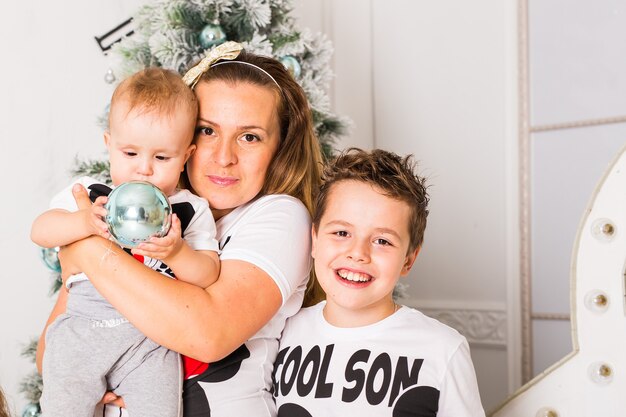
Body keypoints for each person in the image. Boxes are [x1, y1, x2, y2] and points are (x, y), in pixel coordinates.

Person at [36, 41, 324, 417]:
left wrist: (87, 251)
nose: (224, 156)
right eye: (207, 131)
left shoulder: (280, 217)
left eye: (249, 136)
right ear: (184, 137)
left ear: (279, 148)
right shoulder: (123, 205)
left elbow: (208, 335)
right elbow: (49, 353)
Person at [32, 68, 220, 417]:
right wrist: (80, 222)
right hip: (83, 327)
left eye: (162, 158)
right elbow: (40, 231)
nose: (143, 169)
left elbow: (207, 273)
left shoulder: (189, 210)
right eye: (130, 153)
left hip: (151, 339)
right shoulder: (91, 195)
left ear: (186, 156)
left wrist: (177, 252)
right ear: (109, 145)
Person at [273, 148, 486, 416]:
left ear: (409, 259)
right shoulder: (281, 333)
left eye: (382, 241)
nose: (358, 253)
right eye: (341, 232)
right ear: (315, 240)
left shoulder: (441, 349)